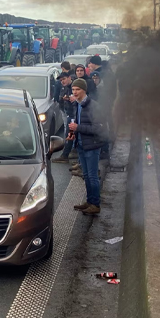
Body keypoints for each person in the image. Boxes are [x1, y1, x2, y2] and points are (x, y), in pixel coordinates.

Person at [68, 79, 106, 216]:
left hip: (92, 146)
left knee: (92, 176)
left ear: (84, 90)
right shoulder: (78, 105)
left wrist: (78, 128)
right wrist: (73, 133)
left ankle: (95, 204)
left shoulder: (93, 107)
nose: (74, 92)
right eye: (73, 90)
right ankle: (89, 202)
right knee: (86, 175)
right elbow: (77, 123)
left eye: (77, 89)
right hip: (81, 145)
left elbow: (99, 128)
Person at [87, 55, 117, 160]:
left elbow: (99, 90)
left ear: (94, 63)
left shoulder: (100, 74)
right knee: (106, 123)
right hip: (106, 102)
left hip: (101, 103)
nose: (89, 65)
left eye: (90, 63)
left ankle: (104, 150)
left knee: (101, 126)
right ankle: (108, 143)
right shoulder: (107, 71)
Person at [52, 73, 75, 164]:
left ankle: (65, 156)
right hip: (69, 113)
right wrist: (63, 98)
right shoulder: (64, 87)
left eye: (64, 79)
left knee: (70, 135)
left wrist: (71, 98)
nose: (62, 82)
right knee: (69, 135)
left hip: (73, 115)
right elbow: (60, 97)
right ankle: (66, 154)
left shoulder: (74, 86)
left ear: (69, 77)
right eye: (61, 80)